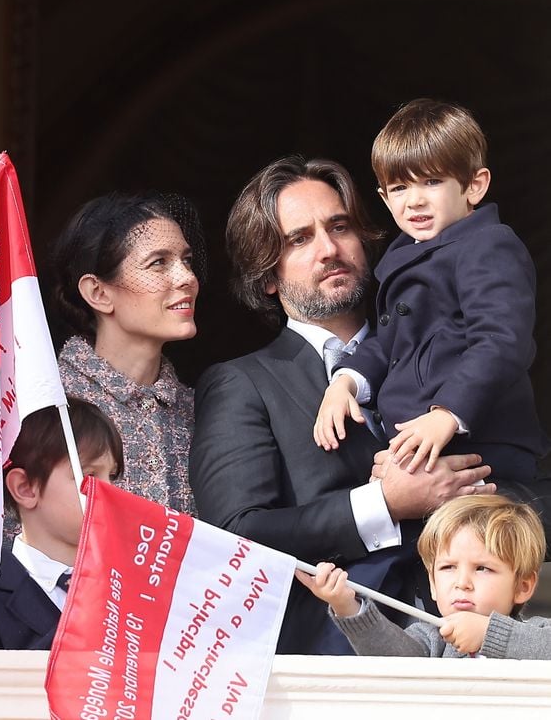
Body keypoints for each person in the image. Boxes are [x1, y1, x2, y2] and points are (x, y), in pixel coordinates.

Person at [189, 155, 497, 655]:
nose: (329, 249)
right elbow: (236, 536)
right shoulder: (242, 382)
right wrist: (385, 504)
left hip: (479, 656)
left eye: (339, 226)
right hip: (333, 664)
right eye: (299, 239)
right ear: (267, 275)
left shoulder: (457, 349)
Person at [314, 99, 550, 481]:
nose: (415, 199)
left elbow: (502, 340)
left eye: (432, 181)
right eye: (400, 187)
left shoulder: (487, 244)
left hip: (483, 448)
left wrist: (447, 413)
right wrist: (345, 382)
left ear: (474, 185)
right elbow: (388, 345)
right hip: (420, 448)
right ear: (384, 199)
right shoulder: (403, 254)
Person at [52, 190, 206, 515]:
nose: (187, 278)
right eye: (159, 263)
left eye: (187, 261)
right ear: (98, 292)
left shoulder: (202, 412)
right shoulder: (46, 408)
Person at [296, 494, 551, 658]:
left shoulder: (536, 632)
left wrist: (489, 633)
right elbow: (393, 660)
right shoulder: (431, 639)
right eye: (447, 567)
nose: (462, 583)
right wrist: (346, 605)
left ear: (523, 586)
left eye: (482, 568)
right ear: (432, 583)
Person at [0, 396, 124, 649]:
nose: (108, 491)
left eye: (112, 476)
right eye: (88, 475)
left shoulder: (135, 589)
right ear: (25, 488)